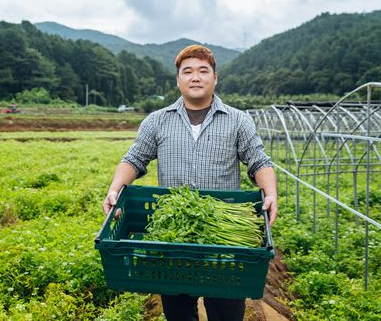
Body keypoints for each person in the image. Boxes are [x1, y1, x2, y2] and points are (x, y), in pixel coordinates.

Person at [102, 44, 278, 321]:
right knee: (179, 312)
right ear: (178, 79)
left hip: (222, 237)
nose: (195, 77)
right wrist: (114, 189)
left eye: (203, 71)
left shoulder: (238, 121)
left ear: (215, 78)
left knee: (226, 311)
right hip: (174, 241)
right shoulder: (157, 121)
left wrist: (270, 193)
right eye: (188, 71)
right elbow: (134, 159)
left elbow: (259, 161)